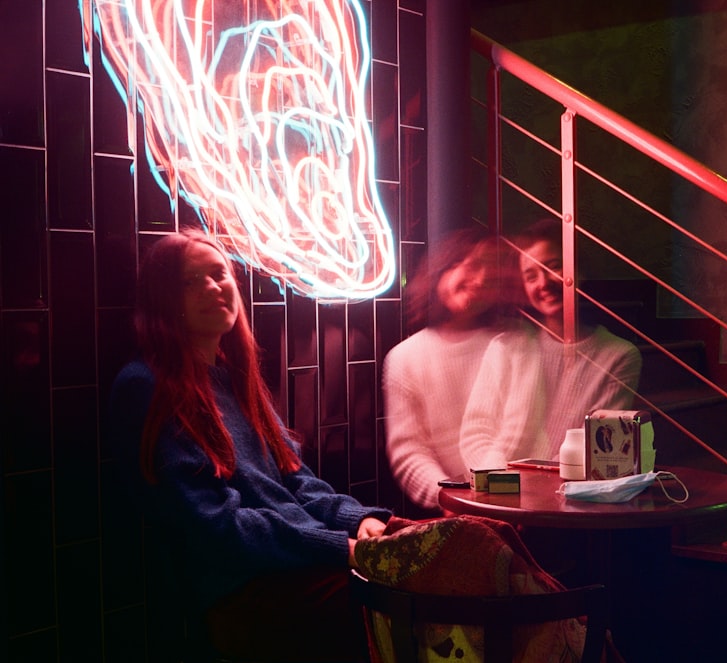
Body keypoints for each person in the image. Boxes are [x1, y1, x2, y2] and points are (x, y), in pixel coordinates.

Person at [108, 229, 392, 662]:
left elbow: (296, 479)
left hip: (304, 561)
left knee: (462, 542)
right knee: (407, 596)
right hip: (245, 589)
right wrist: (340, 547)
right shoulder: (147, 386)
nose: (212, 286)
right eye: (190, 281)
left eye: (218, 273)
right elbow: (217, 528)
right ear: (162, 299)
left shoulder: (235, 379)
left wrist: (359, 521)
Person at [460, 217, 642, 470]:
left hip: (567, 496)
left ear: (579, 270)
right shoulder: (505, 347)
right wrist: (502, 483)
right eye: (531, 276)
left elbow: (597, 447)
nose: (543, 283)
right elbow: (475, 434)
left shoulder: (619, 355)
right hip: (501, 491)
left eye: (553, 266)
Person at [382, 226, 514, 512]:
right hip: (453, 514)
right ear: (443, 268)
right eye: (473, 266)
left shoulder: (513, 343)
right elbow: (409, 451)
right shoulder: (405, 357)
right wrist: (451, 500)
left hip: (518, 505)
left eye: (492, 275)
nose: (481, 280)